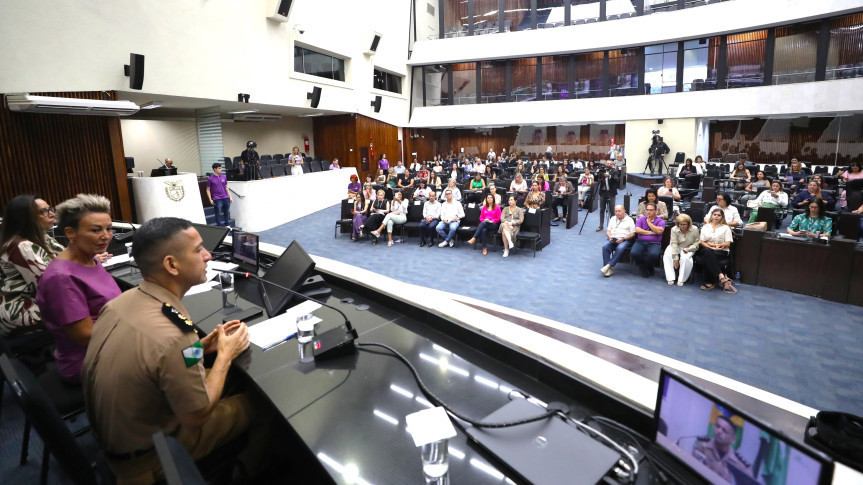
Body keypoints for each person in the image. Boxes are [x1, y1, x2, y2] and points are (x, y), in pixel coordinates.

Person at [82, 217, 264, 484]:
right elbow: (196, 415)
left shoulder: (120, 304)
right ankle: (244, 473)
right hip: (149, 459)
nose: (208, 255)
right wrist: (225, 355)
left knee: (230, 380)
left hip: (120, 438)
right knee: (260, 403)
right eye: (198, 250)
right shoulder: (173, 334)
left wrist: (202, 347)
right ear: (171, 264)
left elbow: (158, 362)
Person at [36, 194, 122, 383]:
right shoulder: (62, 277)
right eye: (95, 230)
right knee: (175, 358)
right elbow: (85, 336)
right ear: (70, 233)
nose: (106, 236)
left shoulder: (90, 258)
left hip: (113, 345)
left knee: (182, 345)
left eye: (109, 228)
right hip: (89, 360)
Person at [0, 195, 65, 338]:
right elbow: (51, 284)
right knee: (86, 307)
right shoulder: (22, 246)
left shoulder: (42, 237)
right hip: (21, 310)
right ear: (26, 218)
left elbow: (68, 259)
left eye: (50, 209)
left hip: (37, 301)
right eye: (44, 211)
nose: (52, 214)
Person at [691, 415, 752, 482]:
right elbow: (690, 469)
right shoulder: (701, 445)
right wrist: (707, 469)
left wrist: (729, 481)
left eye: (724, 431)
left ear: (733, 440)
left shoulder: (741, 466)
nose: (719, 431)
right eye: (717, 426)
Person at [697, 208, 736, 293]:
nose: (716, 217)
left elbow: (727, 244)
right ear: (712, 216)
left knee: (708, 255)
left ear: (722, 217)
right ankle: (721, 276)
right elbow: (702, 242)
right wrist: (711, 247)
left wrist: (713, 245)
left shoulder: (726, 228)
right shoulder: (705, 227)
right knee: (708, 252)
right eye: (715, 215)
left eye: (719, 215)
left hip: (722, 251)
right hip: (708, 249)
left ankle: (710, 282)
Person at [663, 214, 700, 286]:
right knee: (667, 255)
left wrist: (689, 249)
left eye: (684, 224)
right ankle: (670, 277)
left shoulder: (695, 229)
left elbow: (697, 243)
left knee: (685, 258)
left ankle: (682, 279)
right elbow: (674, 244)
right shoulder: (674, 229)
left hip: (689, 247)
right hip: (676, 246)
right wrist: (676, 259)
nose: (682, 226)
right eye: (680, 224)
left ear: (689, 224)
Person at [630, 203, 666, 278]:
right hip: (640, 242)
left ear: (656, 211)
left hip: (654, 243)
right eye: (647, 210)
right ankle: (645, 267)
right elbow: (637, 230)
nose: (649, 212)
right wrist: (651, 232)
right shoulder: (640, 219)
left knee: (654, 255)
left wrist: (649, 223)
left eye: (651, 210)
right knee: (634, 253)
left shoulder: (660, 221)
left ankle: (645, 267)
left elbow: (659, 231)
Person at [600, 205, 636, 277]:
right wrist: (610, 236)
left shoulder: (629, 220)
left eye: (619, 211)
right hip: (613, 238)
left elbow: (633, 234)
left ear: (624, 211)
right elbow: (608, 231)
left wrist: (623, 239)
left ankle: (608, 266)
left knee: (620, 248)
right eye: (616, 211)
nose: (617, 213)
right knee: (605, 246)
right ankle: (608, 269)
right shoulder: (613, 218)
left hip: (625, 240)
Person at [596, 162, 621, 232]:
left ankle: (612, 227)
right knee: (602, 210)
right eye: (607, 163)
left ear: (612, 165)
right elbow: (596, 178)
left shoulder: (615, 171)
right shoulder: (602, 170)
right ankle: (601, 226)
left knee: (612, 211)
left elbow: (617, 180)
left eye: (610, 164)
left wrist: (609, 176)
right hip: (602, 193)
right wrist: (597, 173)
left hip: (611, 193)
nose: (608, 165)